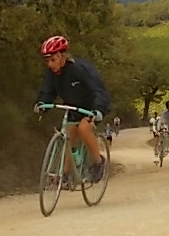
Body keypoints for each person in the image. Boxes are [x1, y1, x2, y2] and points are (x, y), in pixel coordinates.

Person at [34, 35, 111, 185]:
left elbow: (98, 90)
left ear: (62, 56)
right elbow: (48, 91)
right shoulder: (52, 74)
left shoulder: (79, 69)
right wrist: (42, 104)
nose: (50, 64)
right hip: (73, 107)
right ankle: (65, 175)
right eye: (48, 61)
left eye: (53, 60)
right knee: (69, 136)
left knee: (83, 128)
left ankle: (98, 162)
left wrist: (98, 110)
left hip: (92, 107)